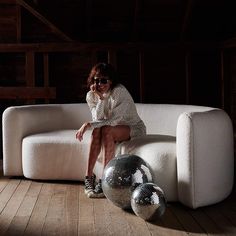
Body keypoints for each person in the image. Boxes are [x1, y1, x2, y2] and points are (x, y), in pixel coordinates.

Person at [76, 62, 146, 198]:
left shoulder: (119, 92)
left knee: (106, 130)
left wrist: (87, 124)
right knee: (97, 131)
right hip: (111, 127)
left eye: (104, 80)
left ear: (111, 81)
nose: (99, 84)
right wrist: (101, 98)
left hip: (132, 127)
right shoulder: (91, 95)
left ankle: (104, 180)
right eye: (96, 80)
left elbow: (114, 121)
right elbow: (98, 118)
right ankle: (89, 177)